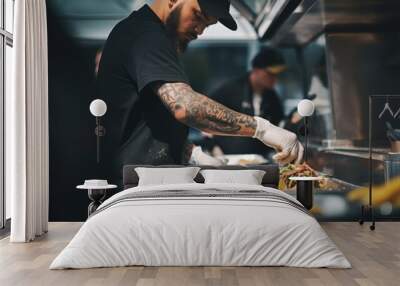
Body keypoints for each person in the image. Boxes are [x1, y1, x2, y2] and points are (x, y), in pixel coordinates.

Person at [96, 0, 304, 187]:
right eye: (198, 16)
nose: (200, 31)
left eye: (208, 24)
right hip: (133, 185)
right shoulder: (146, 35)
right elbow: (185, 107)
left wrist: (191, 153)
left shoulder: (157, 38)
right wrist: (262, 129)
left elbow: (150, 120)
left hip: (149, 180)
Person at [207, 47, 285, 157]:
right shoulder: (230, 89)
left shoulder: (272, 97)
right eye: (270, 74)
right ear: (256, 70)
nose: (274, 79)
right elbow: (205, 118)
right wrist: (213, 148)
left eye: (277, 75)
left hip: (260, 160)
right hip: (227, 159)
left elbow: (279, 125)